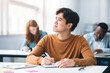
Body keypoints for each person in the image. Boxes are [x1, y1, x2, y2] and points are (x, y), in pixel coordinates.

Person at [26, 8, 96, 68]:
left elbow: (92, 60)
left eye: (59, 20)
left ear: (69, 25)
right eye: (55, 18)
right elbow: (29, 57)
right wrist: (41, 60)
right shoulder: (47, 39)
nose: (55, 22)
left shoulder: (80, 40)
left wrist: (74, 62)